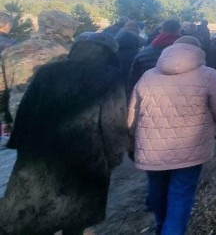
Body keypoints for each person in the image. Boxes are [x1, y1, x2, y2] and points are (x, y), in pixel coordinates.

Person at [0, 32, 127, 234]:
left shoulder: (47, 72)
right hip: (84, 160)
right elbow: (113, 124)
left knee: (36, 214)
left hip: (38, 156)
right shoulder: (109, 77)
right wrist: (113, 158)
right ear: (109, 53)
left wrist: (18, 144)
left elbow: (26, 110)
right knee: (75, 218)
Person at [127, 36, 216, 235]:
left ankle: (161, 226)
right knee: (181, 195)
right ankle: (171, 230)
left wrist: (131, 141)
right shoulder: (208, 74)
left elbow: (133, 112)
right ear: (198, 52)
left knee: (157, 191)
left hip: (152, 148)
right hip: (189, 148)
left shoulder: (148, 75)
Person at [1, 10, 78, 127]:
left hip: (17, 121)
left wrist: (4, 119)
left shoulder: (12, 51)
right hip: (57, 124)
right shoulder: (70, 54)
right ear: (67, 30)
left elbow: (2, 89)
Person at [127, 19, 181, 98]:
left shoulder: (144, 52)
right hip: (179, 98)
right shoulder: (190, 53)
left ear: (161, 31)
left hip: (150, 96)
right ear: (178, 30)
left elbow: (133, 79)